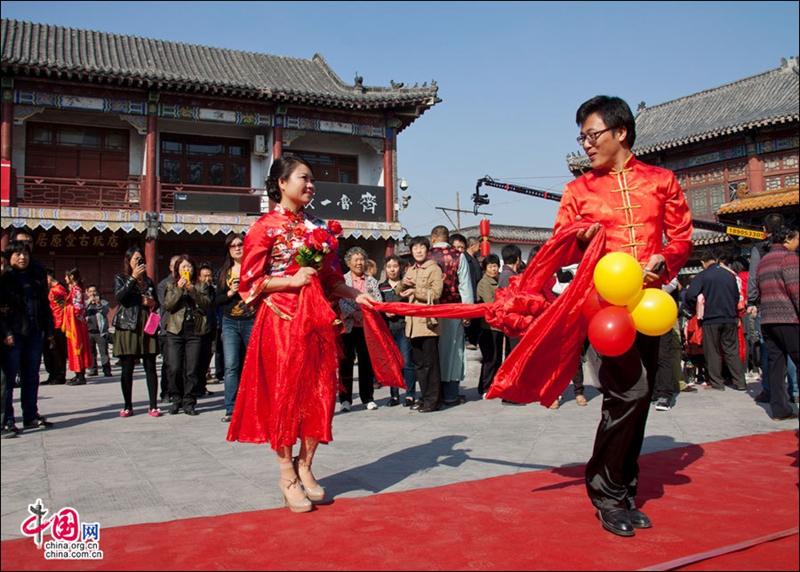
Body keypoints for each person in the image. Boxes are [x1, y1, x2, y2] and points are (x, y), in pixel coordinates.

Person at [553, 95, 693, 537]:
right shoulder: (579, 190)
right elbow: (561, 241)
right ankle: (607, 493)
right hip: (605, 309)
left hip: (650, 304)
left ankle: (624, 490)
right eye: (582, 137)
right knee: (628, 394)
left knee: (642, 395)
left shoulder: (661, 180)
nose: (586, 144)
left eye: (592, 135)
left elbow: (682, 234)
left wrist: (665, 261)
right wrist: (580, 238)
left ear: (621, 133)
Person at [227, 156, 378, 514]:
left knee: (321, 392)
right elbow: (248, 283)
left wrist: (357, 294)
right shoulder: (263, 228)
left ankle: (306, 465)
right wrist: (289, 280)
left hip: (318, 323)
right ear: (281, 182)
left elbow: (329, 277)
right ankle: (286, 475)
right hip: (280, 321)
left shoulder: (319, 228)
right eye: (304, 178)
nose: (311, 185)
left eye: (312, 180)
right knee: (285, 397)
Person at [1, 240, 56, 432]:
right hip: (14, 335)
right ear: (9, 257)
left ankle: (30, 415)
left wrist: (49, 330)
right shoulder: (5, 278)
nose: (23, 257)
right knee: (8, 378)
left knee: (31, 376)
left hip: (34, 332)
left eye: (25, 253)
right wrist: (6, 332)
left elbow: (44, 305)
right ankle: (7, 418)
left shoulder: (35, 277)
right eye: (17, 254)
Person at [684, 249, 746, 392]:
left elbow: (691, 295)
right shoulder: (729, 275)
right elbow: (736, 297)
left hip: (711, 318)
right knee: (731, 350)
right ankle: (740, 382)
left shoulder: (703, 275)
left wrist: (694, 307)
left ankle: (717, 383)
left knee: (712, 351)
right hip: (729, 317)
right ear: (716, 260)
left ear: (703, 263)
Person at [755, 224, 799, 421]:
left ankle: (779, 410)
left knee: (776, 364)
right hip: (788, 318)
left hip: (768, 320)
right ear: (788, 238)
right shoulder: (789, 258)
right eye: (797, 239)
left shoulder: (763, 261)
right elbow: (796, 290)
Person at [396, 236, 444, 412]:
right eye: (415, 248)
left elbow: (436, 292)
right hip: (412, 324)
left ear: (427, 250)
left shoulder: (434, 269)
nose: (418, 251)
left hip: (428, 323)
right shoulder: (411, 270)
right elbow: (398, 291)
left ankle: (433, 400)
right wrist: (403, 283)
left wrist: (416, 290)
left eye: (421, 247)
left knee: (431, 363)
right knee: (419, 364)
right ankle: (424, 397)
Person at [113, 246, 160, 418]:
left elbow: (158, 303)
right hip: (128, 326)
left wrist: (151, 303)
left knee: (150, 366)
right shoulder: (120, 278)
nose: (139, 262)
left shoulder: (148, 281)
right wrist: (132, 278)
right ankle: (127, 405)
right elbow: (120, 297)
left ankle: (153, 405)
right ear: (128, 261)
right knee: (127, 368)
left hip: (145, 325)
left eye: (141, 259)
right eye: (135, 259)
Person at [429, 225, 474, 407]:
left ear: (433, 239)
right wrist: (467, 311)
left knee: (433, 351)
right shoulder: (458, 256)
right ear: (448, 239)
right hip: (454, 310)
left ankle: (433, 393)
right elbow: (465, 286)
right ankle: (450, 394)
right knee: (454, 352)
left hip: (430, 311)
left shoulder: (426, 255)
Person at [163, 254, 211, 416]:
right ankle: (176, 398)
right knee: (175, 366)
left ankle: (189, 401)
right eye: (183, 267)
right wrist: (179, 289)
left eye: (188, 266)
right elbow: (168, 305)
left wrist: (192, 291)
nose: (186, 270)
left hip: (195, 331)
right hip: (175, 331)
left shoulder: (200, 285)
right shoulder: (171, 285)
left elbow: (206, 304)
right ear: (177, 269)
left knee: (192, 368)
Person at [216, 232, 256, 424]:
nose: (237, 248)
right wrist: (231, 291)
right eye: (233, 245)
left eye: (240, 244)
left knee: (253, 365)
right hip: (230, 321)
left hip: (251, 319)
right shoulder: (225, 272)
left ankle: (254, 406)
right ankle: (231, 408)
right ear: (228, 250)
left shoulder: (254, 269)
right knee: (231, 365)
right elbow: (218, 299)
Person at [746, 213, 784, 403]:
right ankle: (794, 389)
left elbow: (753, 278)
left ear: (764, 229)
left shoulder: (759, 249)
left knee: (769, 349)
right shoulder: (791, 247)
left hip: (766, 304)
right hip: (789, 304)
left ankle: (769, 389)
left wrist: (751, 301)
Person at [338, 246, 381, 411]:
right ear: (349, 263)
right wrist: (353, 314)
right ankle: (345, 400)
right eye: (355, 260)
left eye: (361, 259)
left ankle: (367, 397)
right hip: (348, 327)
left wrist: (364, 314)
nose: (359, 263)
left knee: (366, 363)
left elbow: (376, 300)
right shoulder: (342, 281)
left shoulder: (372, 281)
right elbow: (340, 301)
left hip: (366, 327)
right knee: (345, 363)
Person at [378, 254, 418, 407]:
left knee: (407, 363)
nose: (392, 269)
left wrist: (399, 311)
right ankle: (394, 395)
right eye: (389, 267)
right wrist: (384, 312)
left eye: (394, 266)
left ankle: (410, 394)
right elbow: (378, 305)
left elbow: (411, 305)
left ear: (400, 267)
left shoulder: (406, 285)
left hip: (403, 327)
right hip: (388, 329)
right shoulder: (381, 287)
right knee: (392, 363)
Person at [475, 253, 503, 398]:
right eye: (491, 266)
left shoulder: (498, 280)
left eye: (495, 266)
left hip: (498, 326)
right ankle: (484, 387)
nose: (493, 269)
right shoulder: (484, 283)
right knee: (490, 358)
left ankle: (493, 385)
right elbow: (490, 302)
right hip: (488, 327)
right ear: (485, 268)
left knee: (497, 358)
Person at [63, 267, 93, 386]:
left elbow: (79, 308)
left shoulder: (77, 290)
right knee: (74, 348)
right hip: (74, 323)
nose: (65, 279)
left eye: (66, 276)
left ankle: (81, 375)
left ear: (71, 277)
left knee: (78, 347)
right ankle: (77, 373)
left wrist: (66, 309)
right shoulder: (74, 289)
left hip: (77, 324)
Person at [452, 233, 481, 349]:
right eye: (457, 247)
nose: (460, 250)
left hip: (474, 296)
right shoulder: (461, 261)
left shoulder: (473, 260)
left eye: (462, 248)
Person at [157, 255, 180, 403]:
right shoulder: (163, 284)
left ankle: (179, 391)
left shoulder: (188, 283)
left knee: (180, 363)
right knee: (169, 362)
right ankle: (165, 391)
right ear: (171, 267)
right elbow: (167, 304)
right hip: (168, 327)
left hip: (183, 327)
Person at [42, 268, 68, 385]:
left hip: (59, 324)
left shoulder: (58, 290)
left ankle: (59, 375)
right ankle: (52, 374)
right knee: (50, 351)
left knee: (58, 351)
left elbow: (65, 306)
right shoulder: (51, 290)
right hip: (51, 323)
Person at [196, 262, 218, 398]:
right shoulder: (197, 291)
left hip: (212, 327)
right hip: (200, 329)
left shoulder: (214, 291)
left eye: (209, 276)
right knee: (198, 359)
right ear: (199, 277)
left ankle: (202, 386)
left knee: (207, 358)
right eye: (204, 276)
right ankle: (196, 387)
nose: (207, 279)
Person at [84, 284, 112, 378]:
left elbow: (105, 312)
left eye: (94, 291)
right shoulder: (84, 303)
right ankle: (93, 369)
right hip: (88, 331)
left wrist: (98, 303)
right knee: (91, 352)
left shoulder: (103, 303)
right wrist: (87, 303)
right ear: (87, 293)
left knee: (103, 351)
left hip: (100, 331)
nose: (92, 293)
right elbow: (80, 313)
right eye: (90, 291)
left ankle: (106, 370)